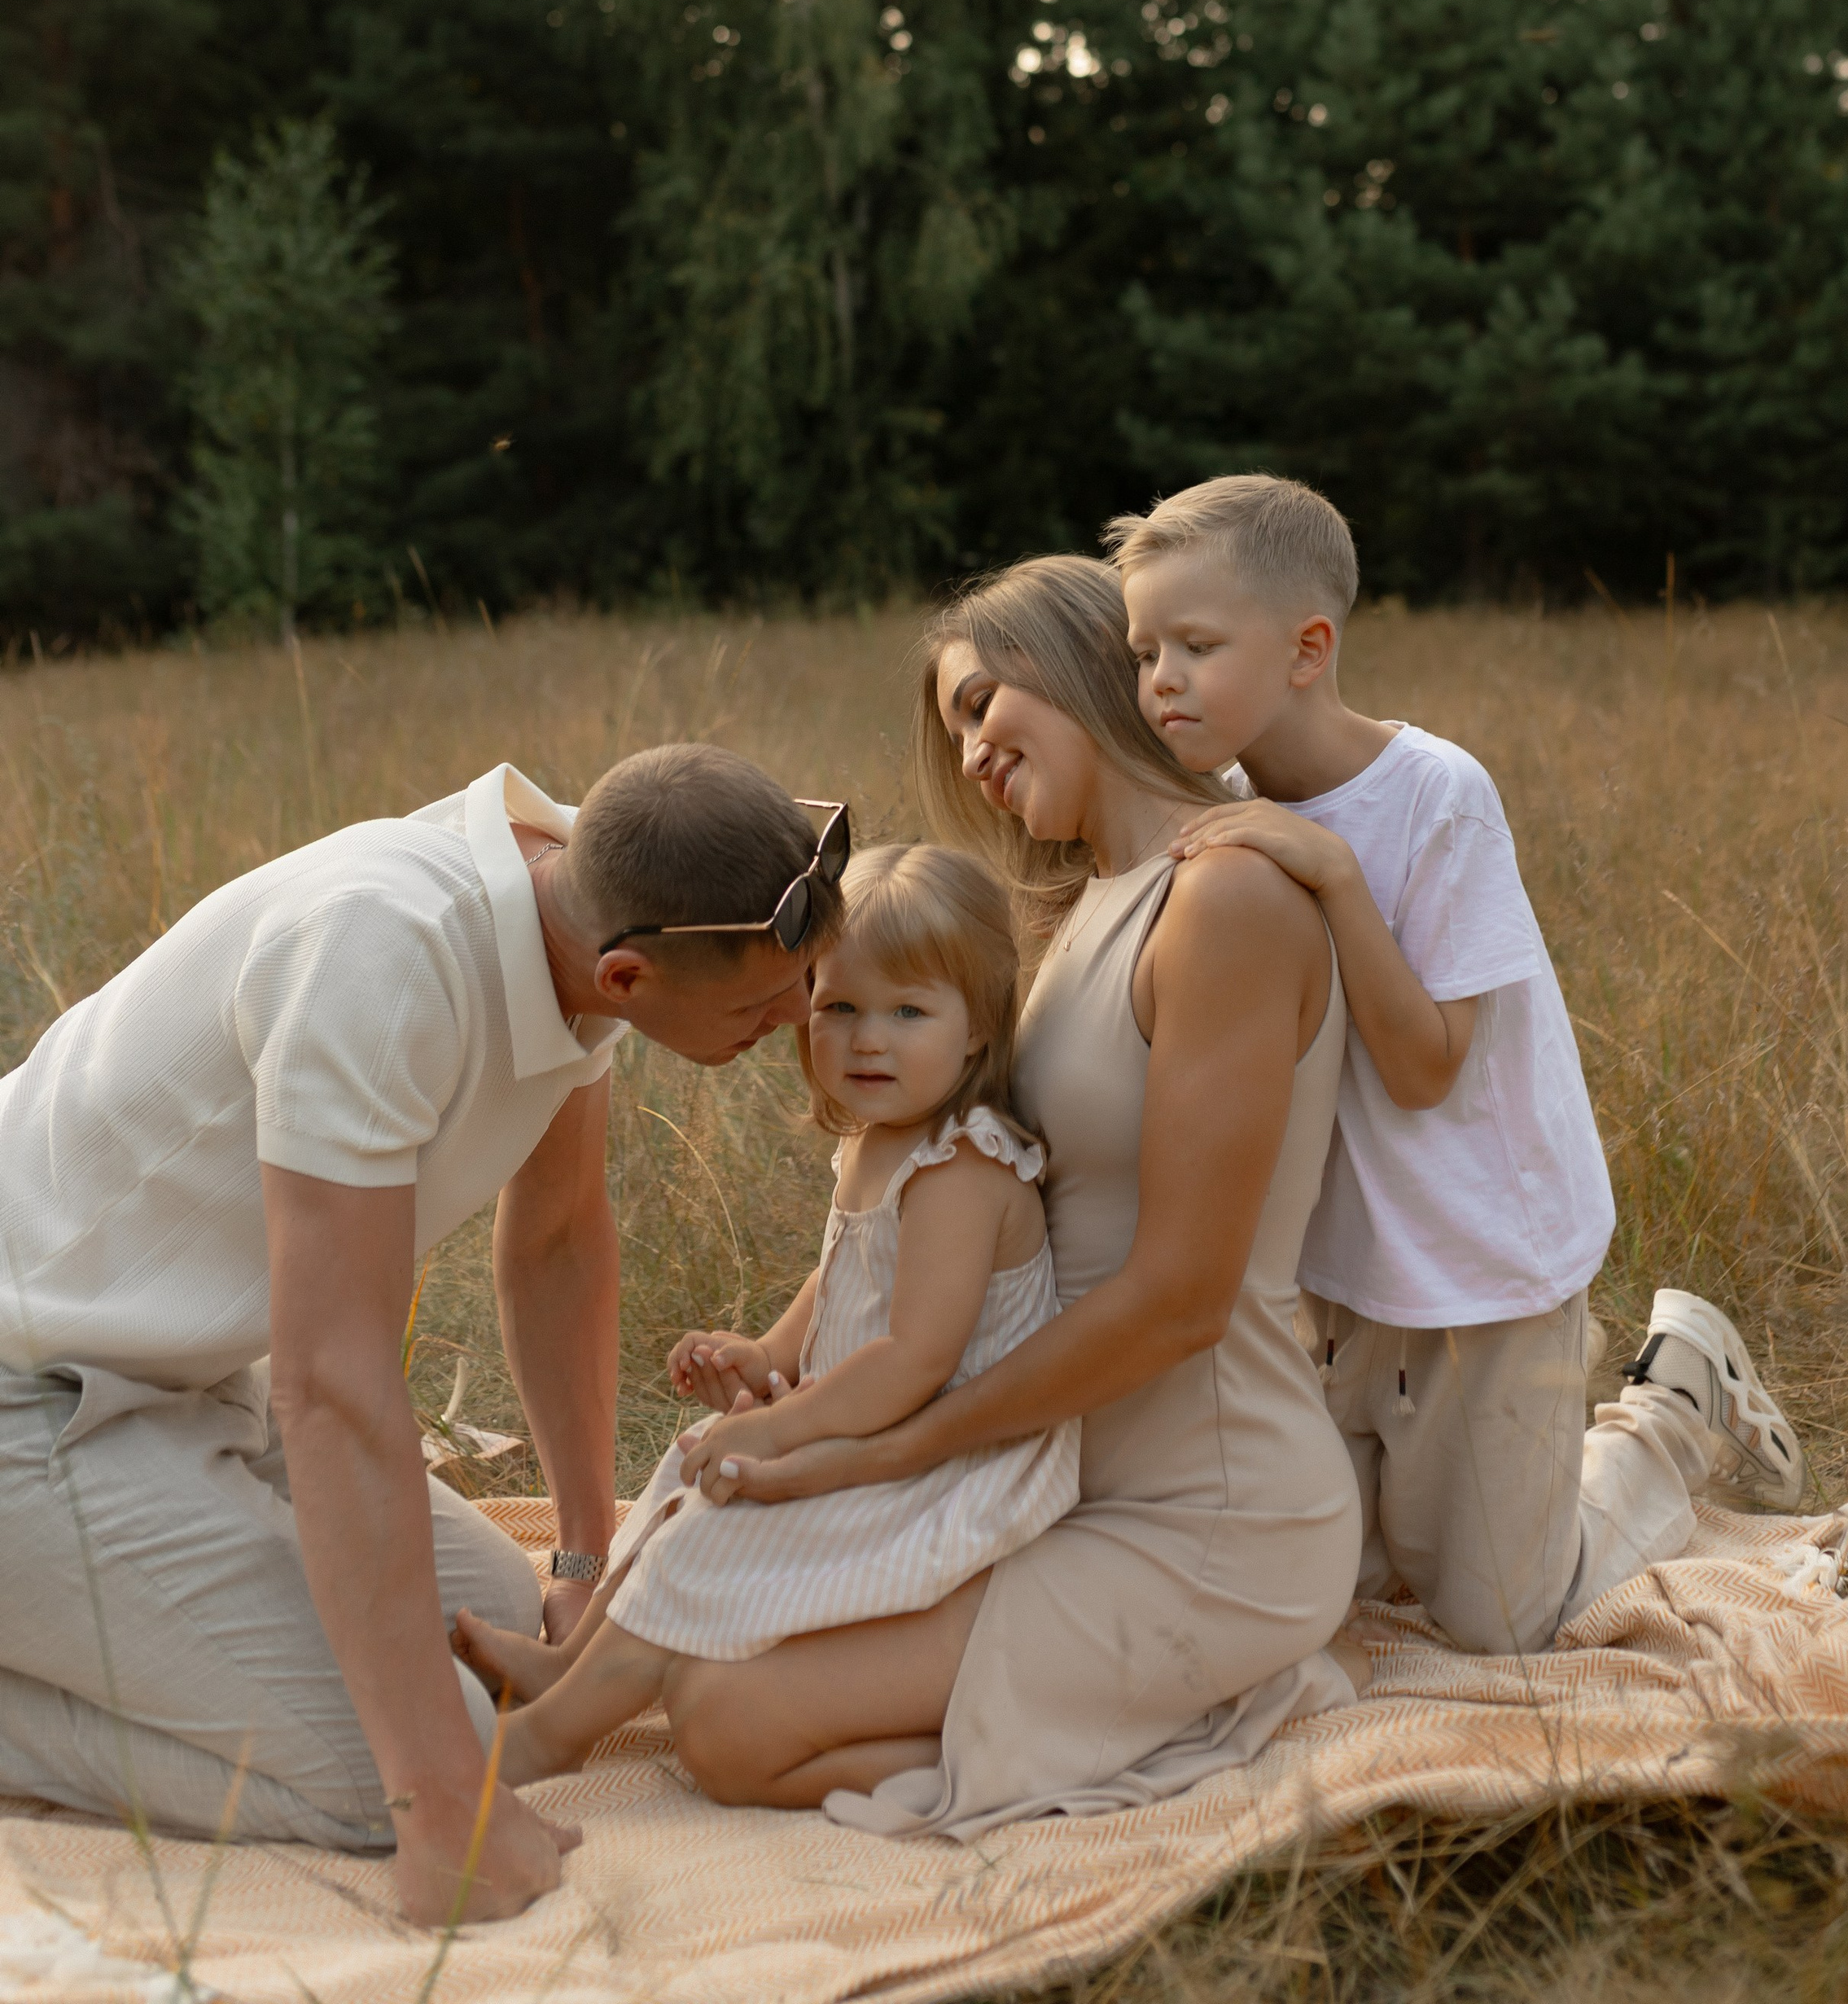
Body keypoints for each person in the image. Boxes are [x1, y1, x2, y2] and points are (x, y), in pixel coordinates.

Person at [0, 742, 844, 1925]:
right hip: (29, 1394)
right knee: (396, 1774)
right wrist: (439, 1804)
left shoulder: (588, 888)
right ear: (625, 978)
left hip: (173, 1381)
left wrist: (583, 1563)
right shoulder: (383, 961)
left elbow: (556, 1240)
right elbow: (334, 1385)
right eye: (764, 1003)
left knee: (485, 1632)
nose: (802, 1014)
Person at [676, 554, 1363, 1834]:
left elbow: (1182, 1301)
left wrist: (892, 1448)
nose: (972, 752)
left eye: (983, 704)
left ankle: (1202, 1698)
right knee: (697, 1661)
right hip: (1040, 1480)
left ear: (1089, 663)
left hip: (1207, 1512)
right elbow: (948, 1212)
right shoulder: (1085, 910)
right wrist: (800, 1377)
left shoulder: (1225, 901)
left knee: (729, 1727)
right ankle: (1092, 1709)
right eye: (955, 729)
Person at [1107, 472, 1807, 1660]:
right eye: (1143, 651)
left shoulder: (1435, 795)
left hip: (1480, 1259)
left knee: (1500, 1617)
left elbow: (1427, 1069)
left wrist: (1332, 873)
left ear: (1308, 649)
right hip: (1342, 1270)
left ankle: (1672, 1405)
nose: (1160, 678)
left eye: (1196, 645)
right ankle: (1484, 1479)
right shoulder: (1214, 806)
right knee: (1334, 1579)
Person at [451, 842, 1081, 1800]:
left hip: (947, 1465)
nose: (869, 1041)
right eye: (840, 1008)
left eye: (908, 1013)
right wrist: (764, 1356)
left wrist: (782, 1428)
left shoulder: (962, 1169)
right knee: (689, 1469)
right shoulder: (881, 1141)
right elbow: (840, 1282)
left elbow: (914, 1359)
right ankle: (574, 1663)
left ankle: (553, 1736)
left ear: (979, 1030)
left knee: (723, 1518)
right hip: (877, 1424)